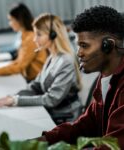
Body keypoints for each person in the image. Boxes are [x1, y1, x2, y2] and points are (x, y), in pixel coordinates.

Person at [35, 6, 124, 149]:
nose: (79, 53)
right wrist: (39, 141)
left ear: (108, 45)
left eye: (84, 46)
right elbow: (86, 125)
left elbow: (113, 146)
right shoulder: (106, 78)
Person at [0, 13, 82, 123]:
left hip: (65, 117)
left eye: (39, 35)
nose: (35, 40)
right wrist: (14, 96)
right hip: (52, 111)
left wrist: (16, 101)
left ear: (53, 35)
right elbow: (36, 85)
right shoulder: (52, 56)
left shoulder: (66, 61)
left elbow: (51, 99)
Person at [0, 3, 48, 82]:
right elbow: (19, 61)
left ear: (19, 20)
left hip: (37, 80)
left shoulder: (31, 38)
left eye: (11, 20)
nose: (10, 24)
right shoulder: (24, 35)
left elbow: (20, 67)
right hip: (31, 78)